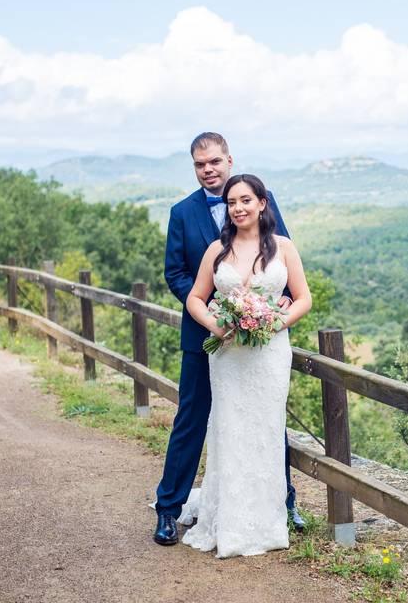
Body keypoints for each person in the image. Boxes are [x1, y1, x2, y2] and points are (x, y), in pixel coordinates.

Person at [153, 133, 305, 546]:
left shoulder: (261, 197)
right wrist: (218, 314)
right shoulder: (182, 213)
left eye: (215, 161)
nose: (209, 169)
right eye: (201, 164)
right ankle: (169, 508)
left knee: (265, 417)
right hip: (207, 338)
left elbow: (282, 262)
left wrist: (267, 314)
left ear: (229, 159)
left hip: (260, 341)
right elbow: (176, 275)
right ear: (194, 166)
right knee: (191, 420)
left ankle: (283, 503)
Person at [181, 173, 312, 557]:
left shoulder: (283, 248)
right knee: (230, 428)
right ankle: (229, 520)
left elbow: (303, 298)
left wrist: (274, 322)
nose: (238, 208)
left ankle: (267, 520)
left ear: (261, 203)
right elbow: (195, 298)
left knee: (266, 430)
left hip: (270, 354)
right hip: (228, 358)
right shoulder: (216, 251)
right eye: (232, 202)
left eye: (245, 201)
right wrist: (213, 324)